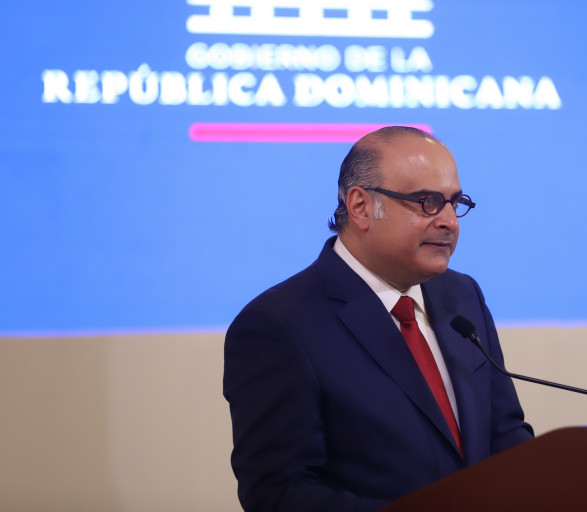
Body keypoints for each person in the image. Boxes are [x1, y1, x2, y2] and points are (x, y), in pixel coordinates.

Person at [224, 126, 534, 512]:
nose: (450, 222)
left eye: (455, 203)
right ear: (361, 206)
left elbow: (503, 432)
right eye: (427, 201)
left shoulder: (463, 295)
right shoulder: (278, 325)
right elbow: (278, 494)